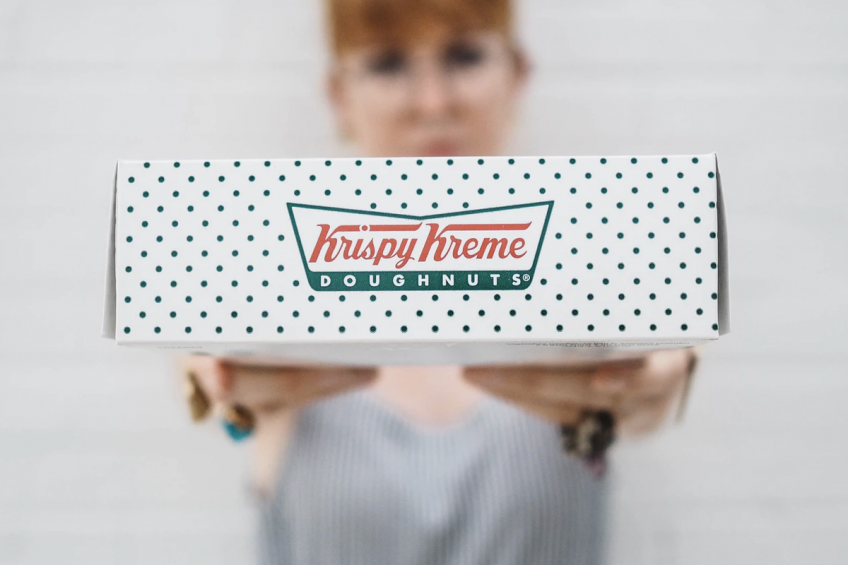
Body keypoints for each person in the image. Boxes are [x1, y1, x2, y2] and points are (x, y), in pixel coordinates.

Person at [179, 0, 699, 563]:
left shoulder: (594, 286)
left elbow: (654, 381)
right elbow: (213, 374)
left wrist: (651, 387)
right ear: (339, 96)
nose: (432, 102)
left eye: (464, 56)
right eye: (387, 64)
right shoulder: (273, 293)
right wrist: (222, 393)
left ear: (517, 75)